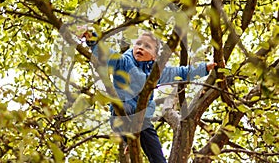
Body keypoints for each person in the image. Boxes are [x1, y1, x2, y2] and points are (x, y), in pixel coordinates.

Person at [81, 29, 217, 163]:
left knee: (154, 147)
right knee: (127, 109)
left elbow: (180, 72)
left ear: (154, 57)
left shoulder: (156, 72)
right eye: (138, 44)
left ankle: (140, 145)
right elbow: (107, 54)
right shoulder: (124, 63)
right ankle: (129, 139)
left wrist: (204, 68)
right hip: (121, 114)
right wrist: (93, 40)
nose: (141, 47)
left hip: (142, 119)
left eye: (147, 46)